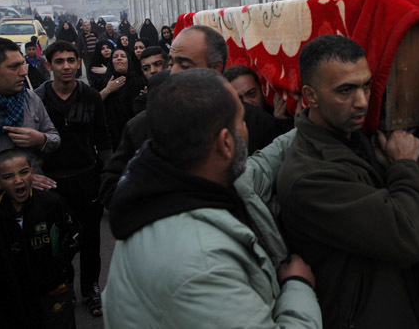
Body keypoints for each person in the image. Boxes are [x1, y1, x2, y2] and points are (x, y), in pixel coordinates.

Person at [102, 69, 322, 328]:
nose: (248, 125)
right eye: (242, 120)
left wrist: (312, 124)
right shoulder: (201, 266)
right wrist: (298, 286)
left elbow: (262, 164)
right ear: (226, 143)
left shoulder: (192, 180)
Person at [277, 35, 419, 329]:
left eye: (366, 85)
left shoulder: (354, 139)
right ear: (311, 96)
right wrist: (404, 166)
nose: (362, 101)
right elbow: (409, 238)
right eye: (345, 90)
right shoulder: (311, 176)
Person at [98, 25, 288, 207]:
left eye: (184, 66)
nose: (173, 73)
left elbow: (275, 184)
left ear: (215, 68)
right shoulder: (143, 126)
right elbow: (110, 188)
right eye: (171, 64)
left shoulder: (255, 122)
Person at [35, 41, 112, 318]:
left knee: (90, 238)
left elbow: (102, 137)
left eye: (71, 60)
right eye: (59, 61)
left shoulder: (90, 96)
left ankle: (91, 288)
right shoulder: (37, 98)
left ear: (78, 62)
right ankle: (63, 285)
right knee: (57, 241)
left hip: (86, 177)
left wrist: (107, 174)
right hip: (51, 182)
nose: (66, 66)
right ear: (48, 65)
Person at [0, 148, 80, 329]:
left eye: (23, 172)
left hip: (53, 289)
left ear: (32, 174)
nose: (18, 181)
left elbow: (74, 234)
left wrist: (58, 265)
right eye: (8, 176)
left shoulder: (51, 203)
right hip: (15, 295)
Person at [0, 38, 60, 182]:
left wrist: (40, 139)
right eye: (14, 67)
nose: (23, 73)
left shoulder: (31, 99)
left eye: (23, 64)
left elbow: (54, 138)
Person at [93, 47, 146, 147]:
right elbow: (91, 104)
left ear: (128, 61)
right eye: (115, 57)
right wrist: (107, 90)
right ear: (111, 62)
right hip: (111, 134)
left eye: (123, 56)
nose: (119, 58)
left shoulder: (139, 81)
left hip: (135, 132)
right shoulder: (101, 82)